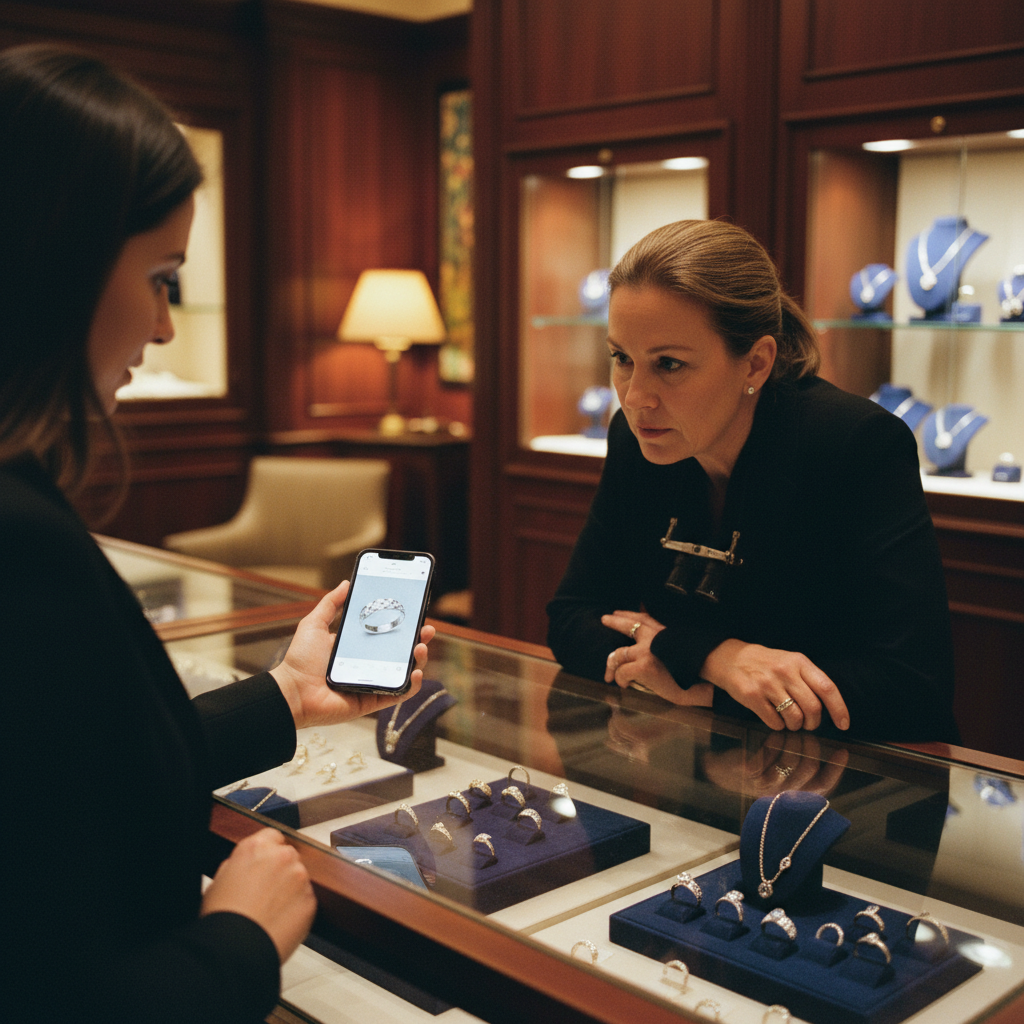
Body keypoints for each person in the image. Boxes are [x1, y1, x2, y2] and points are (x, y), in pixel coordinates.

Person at [0, 44, 434, 1022]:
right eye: (159, 277)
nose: (161, 326)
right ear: (56, 261)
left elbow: (70, 770)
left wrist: (288, 692)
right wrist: (239, 938)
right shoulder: (18, 541)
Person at [547, 219, 958, 743]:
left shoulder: (855, 444)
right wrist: (714, 658)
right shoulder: (634, 439)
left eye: (669, 364)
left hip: (864, 784)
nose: (634, 397)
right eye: (622, 358)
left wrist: (697, 683)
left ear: (757, 364)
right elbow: (571, 620)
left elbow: (913, 686)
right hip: (700, 768)